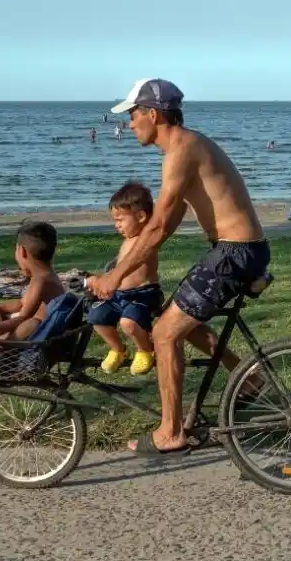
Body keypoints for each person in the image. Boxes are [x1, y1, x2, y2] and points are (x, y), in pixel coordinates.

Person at [87, 79, 270, 457]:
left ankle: (170, 432)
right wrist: (129, 264)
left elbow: (154, 226)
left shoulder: (181, 151)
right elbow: (169, 221)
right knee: (180, 319)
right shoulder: (186, 148)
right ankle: (249, 380)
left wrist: (115, 277)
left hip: (235, 253)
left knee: (165, 333)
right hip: (236, 251)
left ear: (152, 114)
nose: (130, 123)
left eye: (134, 115)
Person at [87, 182, 164, 375]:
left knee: (128, 323)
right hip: (119, 296)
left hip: (143, 295)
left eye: (120, 219)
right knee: (96, 317)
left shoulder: (146, 240)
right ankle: (118, 349)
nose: (117, 225)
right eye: (115, 220)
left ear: (140, 216)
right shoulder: (127, 241)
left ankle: (145, 349)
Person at [0, 221, 66, 346]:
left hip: (25, 333)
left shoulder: (42, 281)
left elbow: (23, 318)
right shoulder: (42, 277)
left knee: (29, 325)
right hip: (13, 324)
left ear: (22, 252)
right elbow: (21, 303)